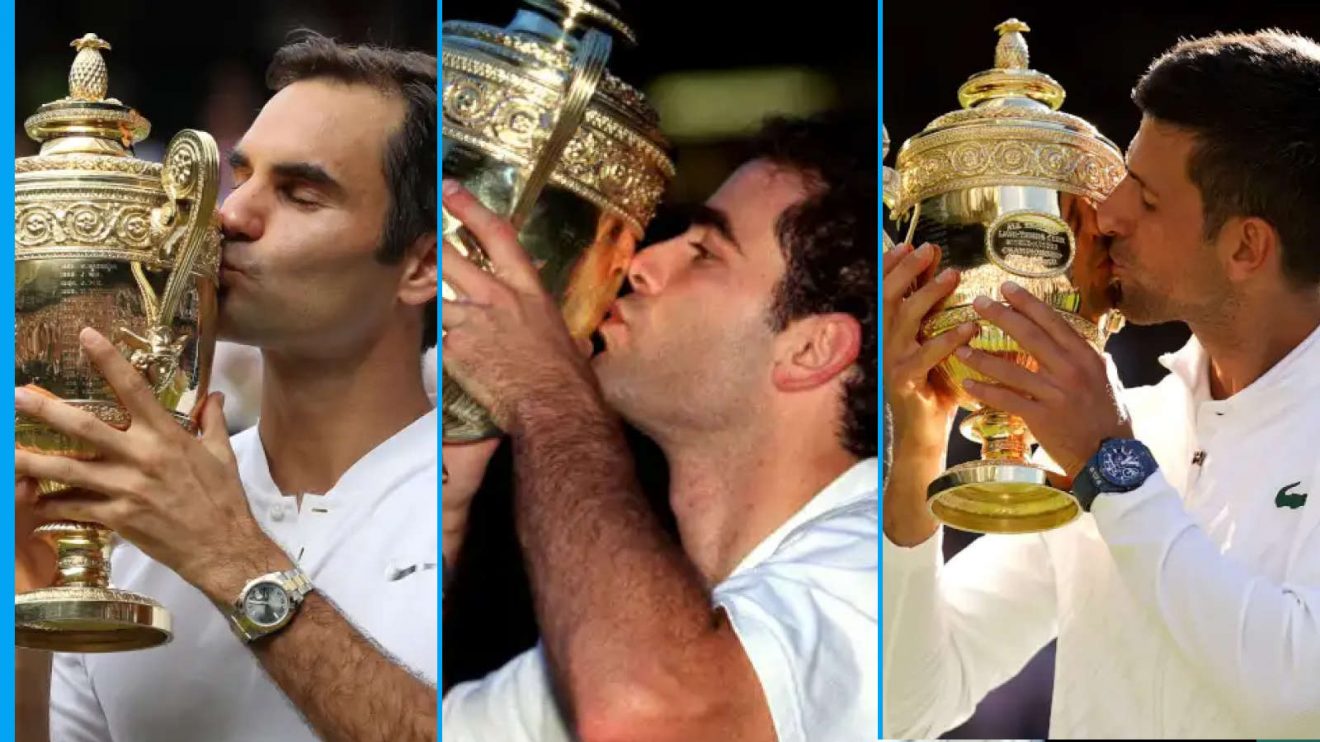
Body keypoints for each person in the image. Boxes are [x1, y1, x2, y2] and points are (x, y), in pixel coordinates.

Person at [883, 29, 1320, 739]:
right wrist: (916, 456)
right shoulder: (1131, 430)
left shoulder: (1111, 450)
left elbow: (1297, 696)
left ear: (1246, 247)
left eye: (1145, 199)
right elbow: (906, 707)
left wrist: (1113, 470)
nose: (1106, 216)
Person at [15, 33, 441, 742]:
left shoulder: (485, 502)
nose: (231, 216)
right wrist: (26, 594)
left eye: (301, 194)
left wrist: (227, 555)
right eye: (240, 178)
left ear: (421, 266)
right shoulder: (128, 506)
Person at [439, 112, 879, 741]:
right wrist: (447, 507)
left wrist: (546, 393)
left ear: (810, 351)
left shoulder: (880, 564)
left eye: (704, 252)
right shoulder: (631, 634)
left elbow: (643, 716)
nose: (640, 263)